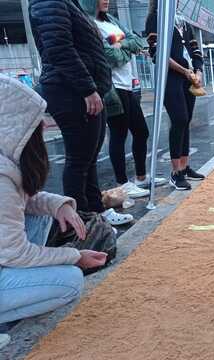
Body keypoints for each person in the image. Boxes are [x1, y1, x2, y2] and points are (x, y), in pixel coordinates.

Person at [0, 75, 108, 336]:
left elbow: (23, 199)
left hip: (5, 256)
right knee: (70, 281)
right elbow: (14, 253)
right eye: (35, 120)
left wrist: (59, 205)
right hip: (7, 257)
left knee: (43, 217)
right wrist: (75, 257)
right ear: (14, 127)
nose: (46, 125)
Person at [30, 0, 133, 226]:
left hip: (83, 88)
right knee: (79, 161)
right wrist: (87, 89)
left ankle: (95, 212)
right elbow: (59, 49)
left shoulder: (66, 3)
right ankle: (83, 223)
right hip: (70, 90)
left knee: (88, 158)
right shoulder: (49, 2)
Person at [81, 0, 166, 200]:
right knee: (119, 134)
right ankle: (122, 183)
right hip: (111, 88)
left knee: (141, 131)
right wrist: (122, 46)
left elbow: (137, 41)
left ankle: (140, 177)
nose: (107, 0)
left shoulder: (111, 20)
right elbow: (111, 56)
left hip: (128, 85)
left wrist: (122, 44)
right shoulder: (89, 24)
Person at [146, 2, 206, 191]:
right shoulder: (157, 18)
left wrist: (198, 71)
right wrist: (184, 71)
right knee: (178, 119)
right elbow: (157, 53)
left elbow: (195, 50)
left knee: (186, 121)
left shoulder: (184, 23)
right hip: (170, 76)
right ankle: (175, 172)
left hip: (190, 77)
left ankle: (185, 166)